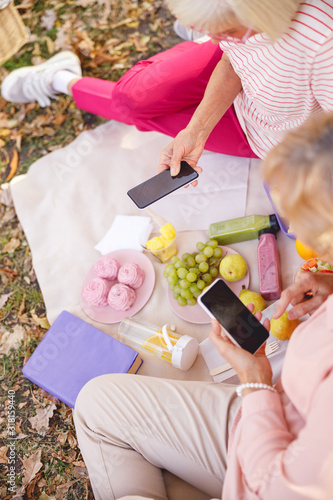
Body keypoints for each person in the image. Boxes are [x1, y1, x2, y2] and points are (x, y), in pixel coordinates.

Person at [73, 111, 333, 500]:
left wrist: (255, 380)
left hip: (270, 458)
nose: (307, 249)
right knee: (95, 401)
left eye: (316, 236)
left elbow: (274, 488)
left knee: (98, 414)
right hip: (286, 408)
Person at [1, 0, 333, 176]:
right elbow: (234, 58)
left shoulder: (322, 47)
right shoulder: (242, 33)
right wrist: (197, 130)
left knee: (140, 116)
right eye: (210, 30)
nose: (222, 40)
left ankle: (62, 81)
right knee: (130, 99)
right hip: (241, 76)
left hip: (275, 134)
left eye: (225, 30)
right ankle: (63, 77)